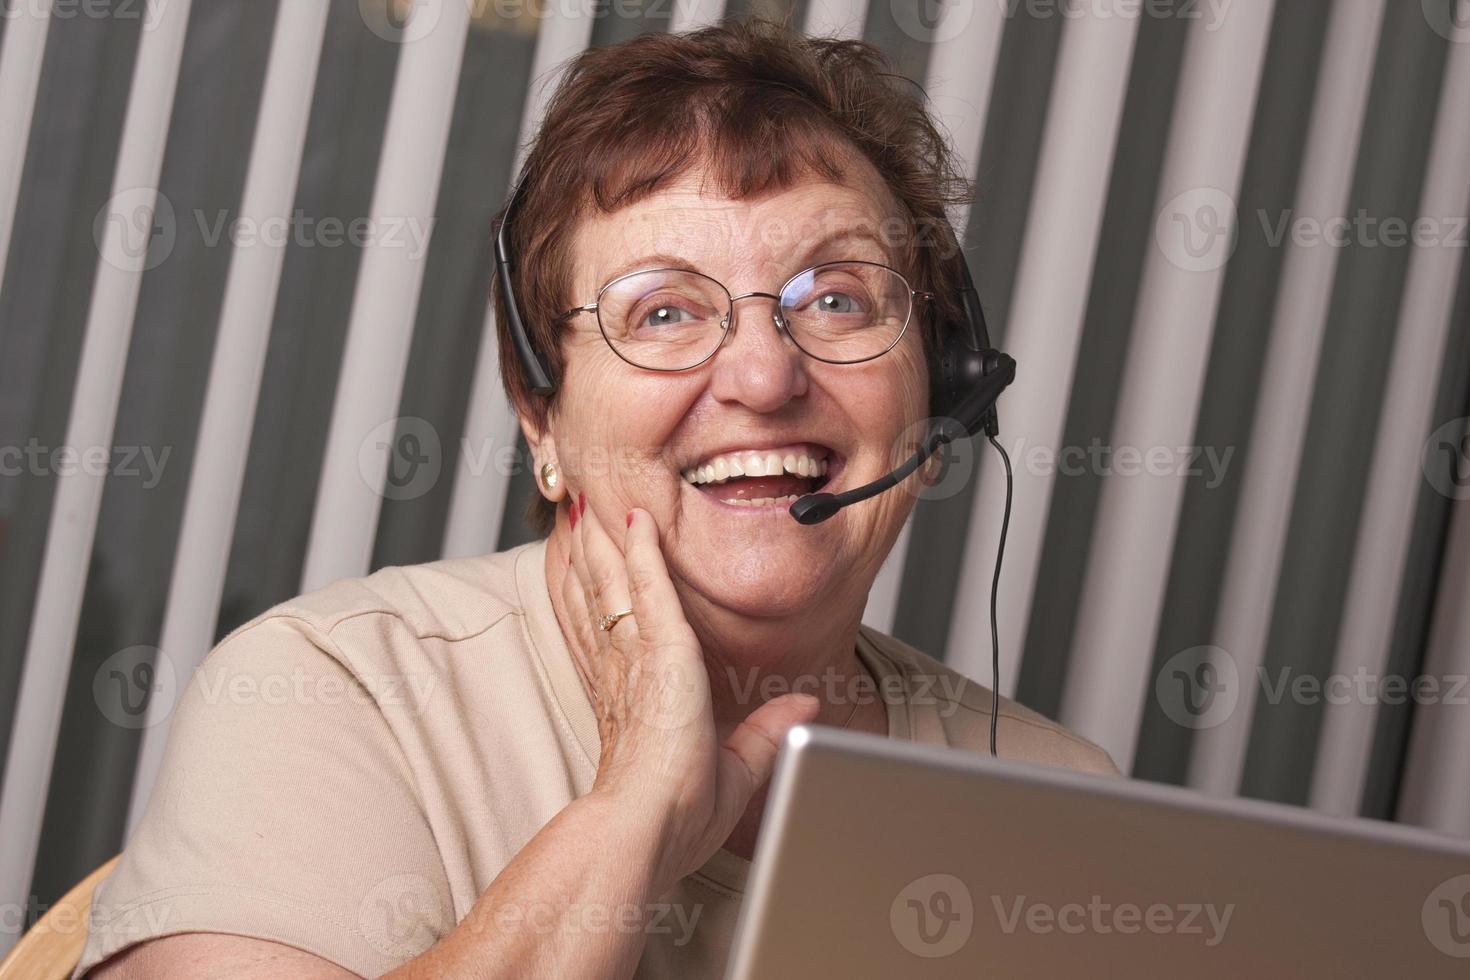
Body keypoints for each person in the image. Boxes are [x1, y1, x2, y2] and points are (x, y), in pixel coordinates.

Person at [79, 20, 1116, 980]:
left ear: (941, 384)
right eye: (665, 310)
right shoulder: (334, 688)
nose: (764, 377)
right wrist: (630, 816)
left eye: (837, 298)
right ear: (542, 412)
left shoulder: (1064, 798)